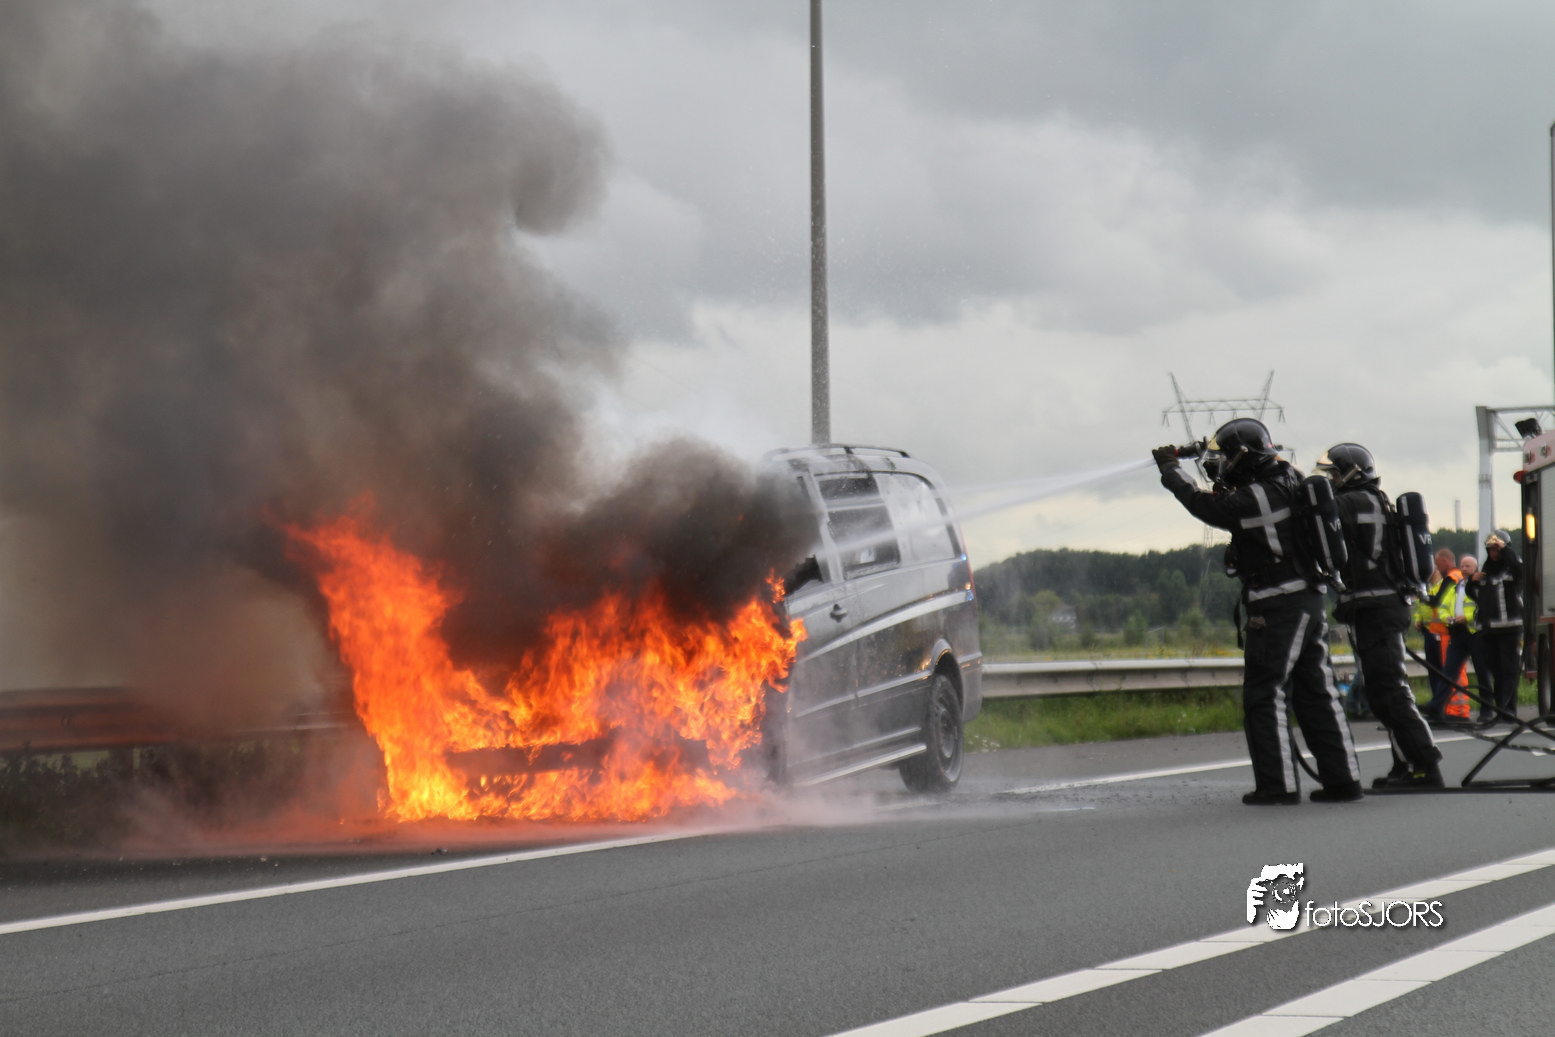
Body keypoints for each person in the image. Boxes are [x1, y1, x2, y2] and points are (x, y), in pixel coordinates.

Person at [1154, 420, 1362, 805]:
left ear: (1244, 456)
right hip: (1307, 599)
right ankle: (1343, 780)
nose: (1222, 465)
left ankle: (1277, 786)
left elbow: (1207, 506)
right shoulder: (1290, 478)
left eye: (1227, 457)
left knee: (1265, 693)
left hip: (1277, 603)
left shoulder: (1261, 495)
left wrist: (1171, 471)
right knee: (1317, 693)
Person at [1312, 444, 1442, 789]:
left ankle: (1425, 765)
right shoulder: (1374, 500)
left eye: (1335, 474)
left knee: (1389, 692)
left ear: (1352, 473)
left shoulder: (1353, 502)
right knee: (1385, 690)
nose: (1331, 481)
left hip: (1377, 609)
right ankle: (1406, 764)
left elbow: (1314, 519)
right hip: (1380, 607)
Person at [1467, 529, 1524, 725]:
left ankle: (1508, 710)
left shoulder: (1513, 568)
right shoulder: (1485, 571)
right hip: (1488, 631)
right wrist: (1471, 582)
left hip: (1509, 629)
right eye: (1491, 549)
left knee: (1509, 671)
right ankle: (1500, 709)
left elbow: (1521, 573)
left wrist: (1505, 550)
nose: (1494, 553)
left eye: (1497, 549)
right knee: (1495, 670)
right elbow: (1475, 595)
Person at [1420, 548, 1461, 723]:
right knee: (1442, 672)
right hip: (1437, 631)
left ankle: (1445, 709)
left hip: (1446, 633)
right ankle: (1439, 707)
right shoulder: (1450, 580)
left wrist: (1423, 597)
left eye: (1437, 564)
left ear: (1444, 562)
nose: (1436, 568)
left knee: (1447, 672)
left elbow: (1437, 603)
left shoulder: (1451, 579)